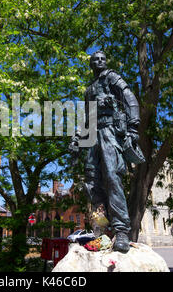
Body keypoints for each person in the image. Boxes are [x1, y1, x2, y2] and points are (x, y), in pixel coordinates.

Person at [70, 51, 141, 253]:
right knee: (91, 181)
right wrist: (77, 137)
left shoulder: (112, 77)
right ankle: (101, 229)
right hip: (93, 134)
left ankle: (121, 232)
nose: (99, 61)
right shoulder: (89, 90)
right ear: (91, 64)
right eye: (95, 59)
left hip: (110, 131)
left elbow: (130, 99)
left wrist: (133, 127)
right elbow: (87, 118)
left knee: (112, 176)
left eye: (102, 58)